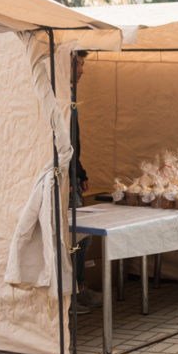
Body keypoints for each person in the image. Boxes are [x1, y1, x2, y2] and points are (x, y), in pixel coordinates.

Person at [70, 51, 102, 312]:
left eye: (82, 64)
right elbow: (56, 145)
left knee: (83, 237)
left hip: (71, 176)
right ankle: (72, 294)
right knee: (77, 238)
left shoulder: (68, 96)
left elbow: (72, 144)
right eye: (79, 64)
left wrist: (81, 173)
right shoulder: (57, 96)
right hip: (62, 180)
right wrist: (69, 176)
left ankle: (78, 288)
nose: (82, 70)